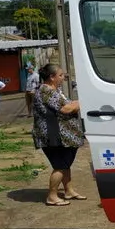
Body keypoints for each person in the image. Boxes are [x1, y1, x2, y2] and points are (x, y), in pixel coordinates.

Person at [32, 63, 86, 206]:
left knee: (65, 164)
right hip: (53, 136)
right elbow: (66, 108)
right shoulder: (46, 91)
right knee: (60, 165)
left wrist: (75, 104)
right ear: (51, 77)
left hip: (64, 135)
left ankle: (69, 191)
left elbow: (69, 104)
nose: (63, 78)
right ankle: (52, 196)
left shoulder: (55, 90)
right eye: (60, 75)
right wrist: (84, 101)